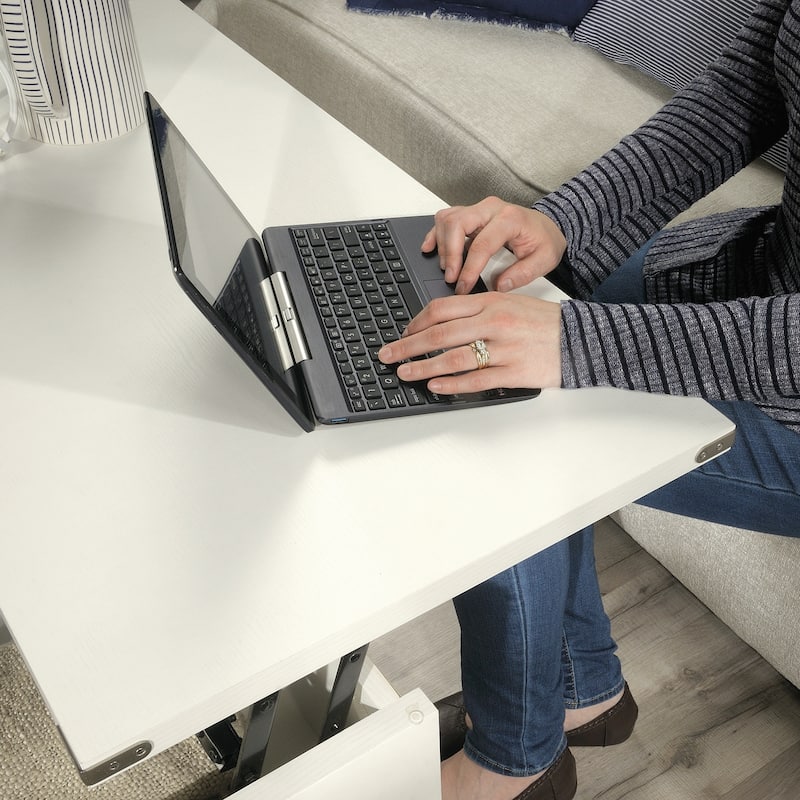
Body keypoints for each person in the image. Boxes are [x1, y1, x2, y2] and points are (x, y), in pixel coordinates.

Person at [377, 1, 800, 798]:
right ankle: (582, 691)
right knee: (490, 303)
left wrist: (574, 344)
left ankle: (513, 761)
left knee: (498, 408)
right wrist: (561, 223)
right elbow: (749, 86)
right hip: (758, 274)